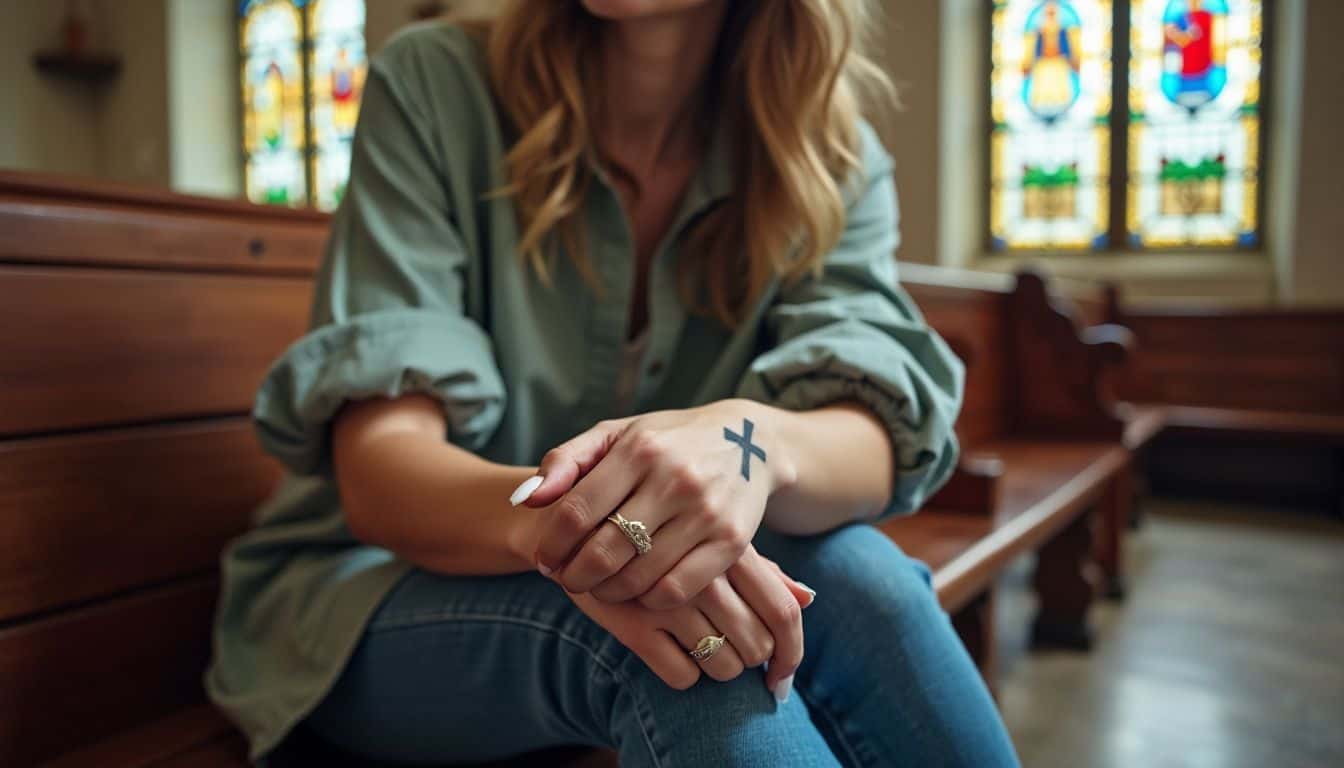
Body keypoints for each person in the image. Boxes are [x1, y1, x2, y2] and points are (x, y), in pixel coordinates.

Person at [206, 1, 1021, 765]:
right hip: (372, 595)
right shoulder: (436, 83)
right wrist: (592, 533)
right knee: (689, 657)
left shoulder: (822, 154)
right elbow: (381, 476)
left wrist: (752, 443)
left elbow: (874, 439)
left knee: (866, 585)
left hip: (643, 566)